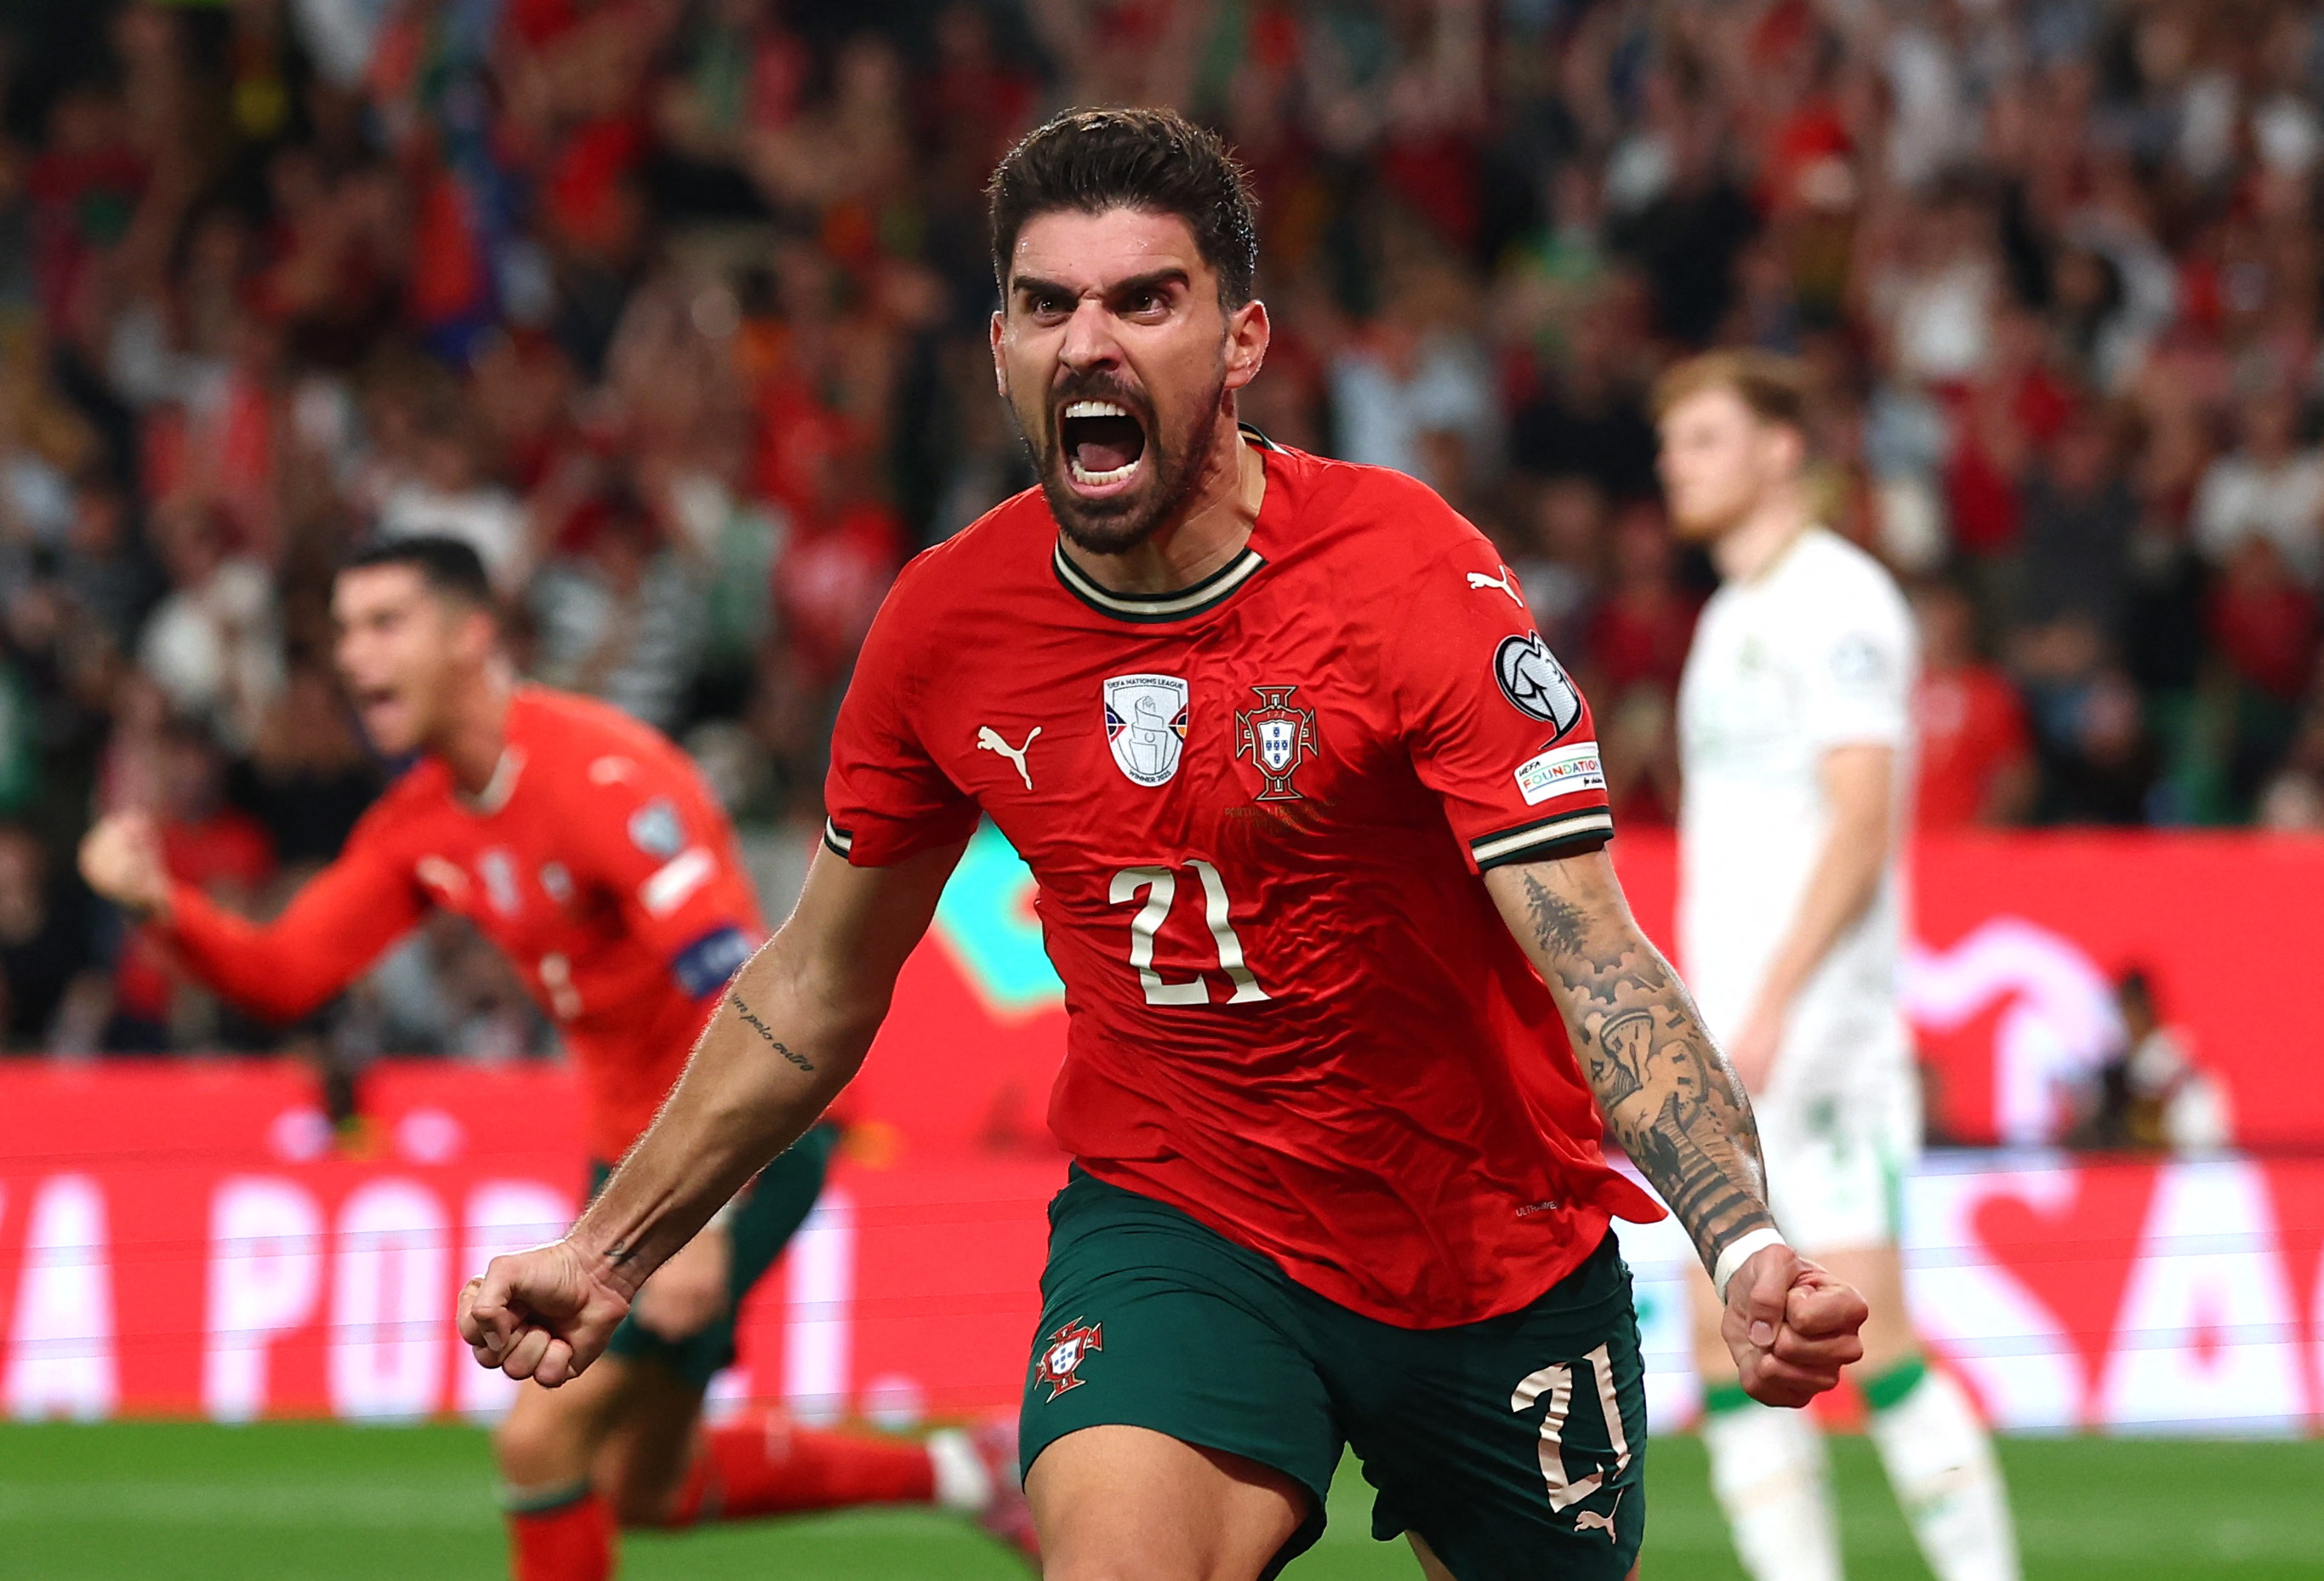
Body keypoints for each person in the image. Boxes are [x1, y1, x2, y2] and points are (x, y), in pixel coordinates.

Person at [457, 109, 1868, 1581]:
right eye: (1047, 305)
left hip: (1484, 1245)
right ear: (1000, 344)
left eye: (1143, 300)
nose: (1088, 342)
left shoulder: (1407, 575)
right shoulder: (945, 627)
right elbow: (815, 982)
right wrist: (608, 1249)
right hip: (1180, 1224)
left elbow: (1595, 958)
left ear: (1241, 339)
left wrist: (1743, 1242)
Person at [77, 535, 1031, 1581]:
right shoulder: (421, 822)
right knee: (645, 1483)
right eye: (344, 631)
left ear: (471, 635)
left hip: (745, 1144)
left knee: (538, 1442)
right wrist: (161, 908)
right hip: (623, 1159)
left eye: (386, 624)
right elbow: (287, 974)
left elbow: (737, 989)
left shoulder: (604, 779)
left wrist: (702, 1216)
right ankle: (969, 1472)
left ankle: (965, 1467)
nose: (354, 656)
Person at [1660, 350, 2020, 1581]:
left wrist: (1771, 1002)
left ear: (1779, 451)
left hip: (1815, 1033)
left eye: (1703, 439)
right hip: (1731, 1032)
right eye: (1670, 443)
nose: (1673, 465)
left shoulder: (1839, 598)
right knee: (1723, 1338)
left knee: (1872, 1335)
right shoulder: (1730, 616)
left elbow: (1864, 818)